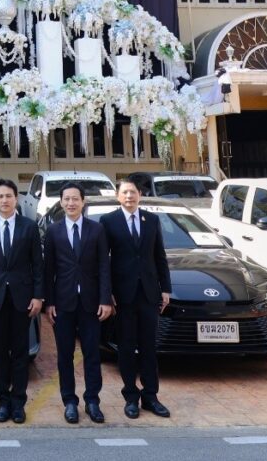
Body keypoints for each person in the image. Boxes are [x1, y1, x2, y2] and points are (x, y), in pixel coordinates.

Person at [100, 179, 172, 420]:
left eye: (133, 192)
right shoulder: (108, 221)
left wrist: (166, 288)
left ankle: (151, 395)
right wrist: (107, 292)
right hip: (123, 295)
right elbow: (103, 261)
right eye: (125, 192)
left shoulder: (151, 220)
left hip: (149, 293)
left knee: (149, 347)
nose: (129, 196)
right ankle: (131, 396)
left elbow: (159, 255)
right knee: (127, 348)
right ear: (118, 196)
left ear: (140, 194)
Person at [43, 182, 113, 424]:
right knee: (64, 355)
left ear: (83, 202)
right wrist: (49, 303)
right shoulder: (53, 231)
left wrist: (105, 299)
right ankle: (70, 401)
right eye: (66, 199)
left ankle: (92, 401)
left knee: (92, 353)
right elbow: (48, 269)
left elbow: (104, 266)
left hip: (91, 303)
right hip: (63, 303)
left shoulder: (97, 230)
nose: (71, 203)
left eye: (75, 199)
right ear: (61, 202)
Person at [0, 179, 43, 424]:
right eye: (0, 196)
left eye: (8, 196)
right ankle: (2, 401)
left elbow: (38, 264)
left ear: (16, 198)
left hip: (22, 300)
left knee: (20, 352)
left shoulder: (29, 227)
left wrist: (38, 296)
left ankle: (18, 403)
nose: (4, 200)